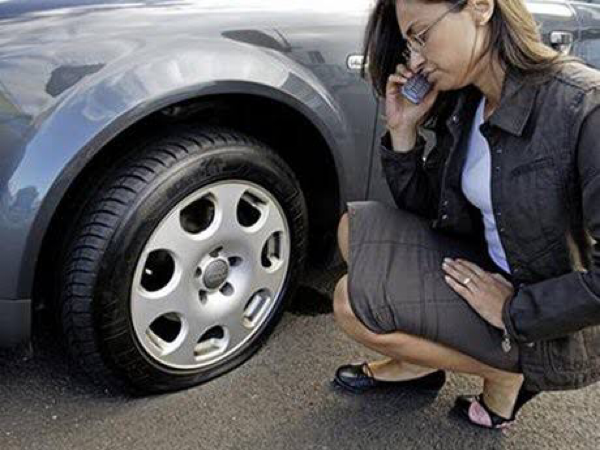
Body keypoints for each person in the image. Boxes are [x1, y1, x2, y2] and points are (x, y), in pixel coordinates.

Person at [332, 0, 600, 430]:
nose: (416, 59)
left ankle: (507, 374)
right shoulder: (469, 101)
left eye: (421, 36)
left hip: (542, 321)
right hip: (483, 266)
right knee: (355, 231)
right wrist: (403, 132)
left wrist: (514, 309)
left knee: (350, 302)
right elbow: (429, 213)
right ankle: (419, 364)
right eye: (409, 45)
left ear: (479, 7)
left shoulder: (583, 106)